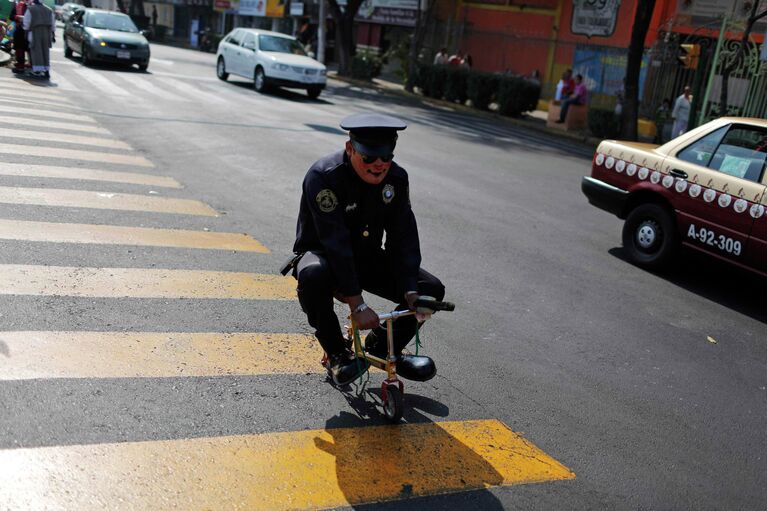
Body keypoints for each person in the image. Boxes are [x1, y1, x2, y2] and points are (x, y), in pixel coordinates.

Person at [288, 113, 445, 386]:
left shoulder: (396, 179)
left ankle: (383, 347)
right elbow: (334, 242)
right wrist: (357, 304)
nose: (379, 165)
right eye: (369, 157)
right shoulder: (324, 177)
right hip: (324, 257)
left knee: (429, 288)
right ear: (350, 149)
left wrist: (410, 290)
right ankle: (339, 354)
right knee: (313, 276)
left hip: (365, 257)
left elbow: (403, 235)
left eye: (386, 157)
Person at [23, 0, 54, 79]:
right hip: (47, 32)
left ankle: (37, 71)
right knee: (45, 51)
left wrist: (26, 31)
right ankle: (46, 71)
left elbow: (26, 22)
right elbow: (53, 24)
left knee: (36, 51)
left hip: (35, 31)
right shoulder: (49, 10)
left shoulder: (31, 9)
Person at [9, 0, 29, 74]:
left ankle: (28, 64)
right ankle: (20, 65)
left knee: (28, 49)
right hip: (19, 30)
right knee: (19, 48)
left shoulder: (31, 6)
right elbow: (11, 16)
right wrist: (17, 17)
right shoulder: (17, 5)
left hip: (29, 31)